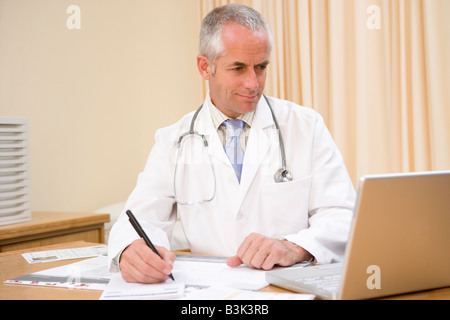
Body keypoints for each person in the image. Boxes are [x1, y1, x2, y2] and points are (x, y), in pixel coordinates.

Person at [108, 4, 356, 284]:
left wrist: (295, 246)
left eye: (261, 67)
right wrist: (131, 252)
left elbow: (343, 215)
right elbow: (138, 221)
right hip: (210, 291)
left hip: (287, 288)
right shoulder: (172, 141)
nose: (253, 83)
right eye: (238, 68)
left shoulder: (305, 126)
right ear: (205, 67)